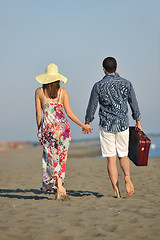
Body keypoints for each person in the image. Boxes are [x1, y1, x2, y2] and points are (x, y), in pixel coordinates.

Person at [84, 57, 142, 198]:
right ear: (116, 68)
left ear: (103, 69)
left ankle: (116, 191)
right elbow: (133, 103)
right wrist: (138, 120)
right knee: (123, 155)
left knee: (111, 159)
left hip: (106, 125)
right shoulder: (127, 83)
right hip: (122, 124)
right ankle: (127, 176)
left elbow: (92, 106)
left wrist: (87, 121)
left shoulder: (98, 86)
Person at [35, 63, 92, 200]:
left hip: (48, 129)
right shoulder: (63, 92)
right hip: (63, 129)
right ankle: (58, 186)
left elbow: (38, 115)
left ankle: (59, 186)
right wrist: (83, 126)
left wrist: (39, 130)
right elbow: (70, 113)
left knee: (51, 158)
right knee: (61, 158)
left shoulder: (39, 92)